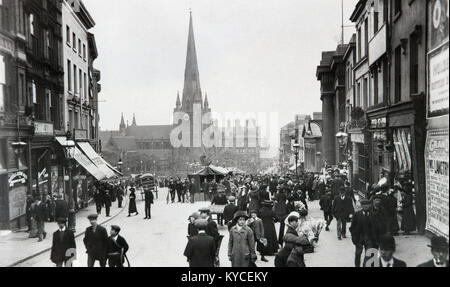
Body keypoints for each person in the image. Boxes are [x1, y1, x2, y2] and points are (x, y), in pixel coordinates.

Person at [350, 199, 380, 267]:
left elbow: (377, 228)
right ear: (361, 206)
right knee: (358, 254)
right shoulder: (357, 215)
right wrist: (354, 238)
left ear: (370, 205)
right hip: (359, 238)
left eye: (367, 204)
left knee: (369, 254)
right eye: (364, 205)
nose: (366, 206)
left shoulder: (374, 215)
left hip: (369, 238)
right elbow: (352, 228)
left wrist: (377, 239)